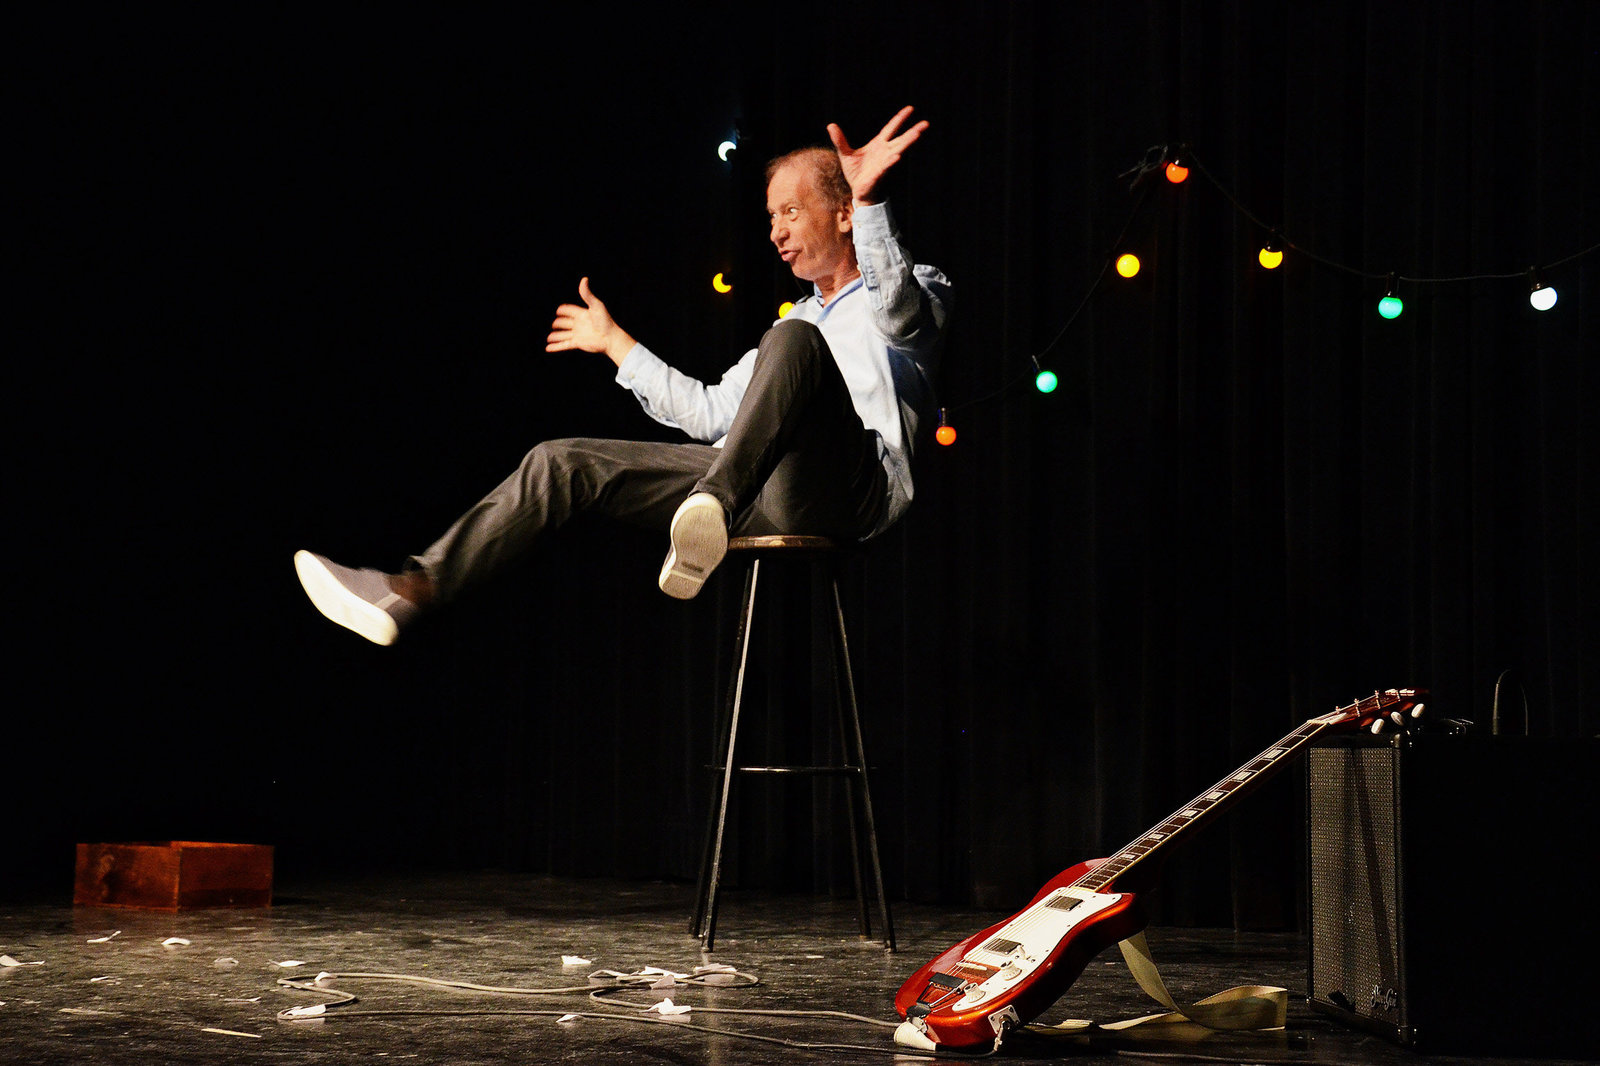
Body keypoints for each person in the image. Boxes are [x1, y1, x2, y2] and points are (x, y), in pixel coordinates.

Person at [294, 106, 951, 645]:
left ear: (842, 214)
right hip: (754, 489)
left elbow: (897, 314)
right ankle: (409, 591)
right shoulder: (793, 326)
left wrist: (871, 202)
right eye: (771, 216)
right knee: (560, 461)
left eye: (792, 211)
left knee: (794, 340)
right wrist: (615, 343)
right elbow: (708, 413)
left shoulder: (916, 288)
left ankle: (711, 507)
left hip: (851, 493)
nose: (776, 232)